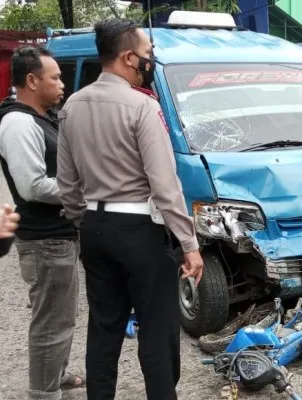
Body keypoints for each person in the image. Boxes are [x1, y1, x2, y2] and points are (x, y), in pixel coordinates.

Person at [56, 18, 204, 399]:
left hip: (93, 227)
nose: (149, 61)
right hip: (140, 230)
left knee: (104, 328)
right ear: (127, 57)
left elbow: (67, 182)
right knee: (156, 329)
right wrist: (189, 243)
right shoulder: (141, 106)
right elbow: (164, 183)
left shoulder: (73, 105)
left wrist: (83, 220)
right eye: (147, 54)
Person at [0, 46, 85, 400]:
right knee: (50, 323)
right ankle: (44, 392)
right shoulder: (18, 122)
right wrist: (81, 189)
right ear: (32, 81)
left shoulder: (41, 117)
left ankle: (55, 375)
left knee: (61, 318)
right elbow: (32, 186)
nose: (62, 84)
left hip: (58, 235)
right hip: (44, 241)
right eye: (56, 77)